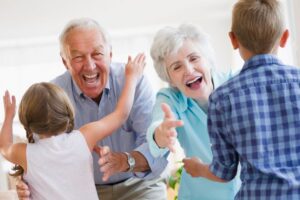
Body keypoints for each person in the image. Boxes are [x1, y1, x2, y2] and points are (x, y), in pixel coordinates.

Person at [16, 18, 168, 200]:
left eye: (97, 54)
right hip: (83, 190)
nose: (89, 65)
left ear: (110, 54)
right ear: (65, 62)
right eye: (78, 57)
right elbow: (41, 153)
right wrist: (27, 183)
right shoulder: (52, 95)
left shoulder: (135, 82)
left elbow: (155, 146)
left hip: (138, 184)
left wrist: (125, 161)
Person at [182, 0, 300, 199]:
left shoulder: (221, 98)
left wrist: (198, 168)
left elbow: (224, 172)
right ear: (285, 37)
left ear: (233, 40)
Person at [0, 54, 144, 199]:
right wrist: (131, 78)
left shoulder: (25, 152)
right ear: (67, 110)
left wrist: (8, 116)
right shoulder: (84, 137)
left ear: (28, 122)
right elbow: (120, 115)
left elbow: (4, 147)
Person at [146, 24, 240, 200]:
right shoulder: (170, 98)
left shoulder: (235, 84)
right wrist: (161, 133)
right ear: (170, 79)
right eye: (176, 67)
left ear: (207, 60)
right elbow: (157, 128)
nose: (189, 70)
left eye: (194, 58)